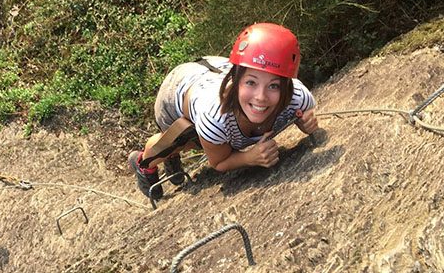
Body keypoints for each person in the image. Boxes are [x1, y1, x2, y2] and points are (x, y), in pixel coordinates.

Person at [129, 22, 319, 199]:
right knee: (182, 138)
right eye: (251, 83)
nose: (261, 97)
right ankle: (143, 162)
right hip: (178, 88)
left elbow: (306, 112)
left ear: (287, 86)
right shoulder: (214, 115)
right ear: (236, 80)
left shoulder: (297, 97)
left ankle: (172, 156)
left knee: (212, 137)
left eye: (274, 86)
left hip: (218, 70)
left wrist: (305, 121)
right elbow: (218, 162)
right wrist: (248, 158)